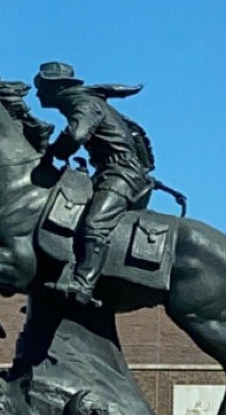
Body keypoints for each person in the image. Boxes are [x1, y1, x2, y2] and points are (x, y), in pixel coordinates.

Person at [35, 61, 155, 305]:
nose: (37, 93)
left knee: (94, 225)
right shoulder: (81, 101)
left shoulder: (82, 103)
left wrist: (53, 150)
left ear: (55, 88)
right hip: (106, 170)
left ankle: (84, 285)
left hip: (122, 173)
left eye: (41, 87)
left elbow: (76, 135)